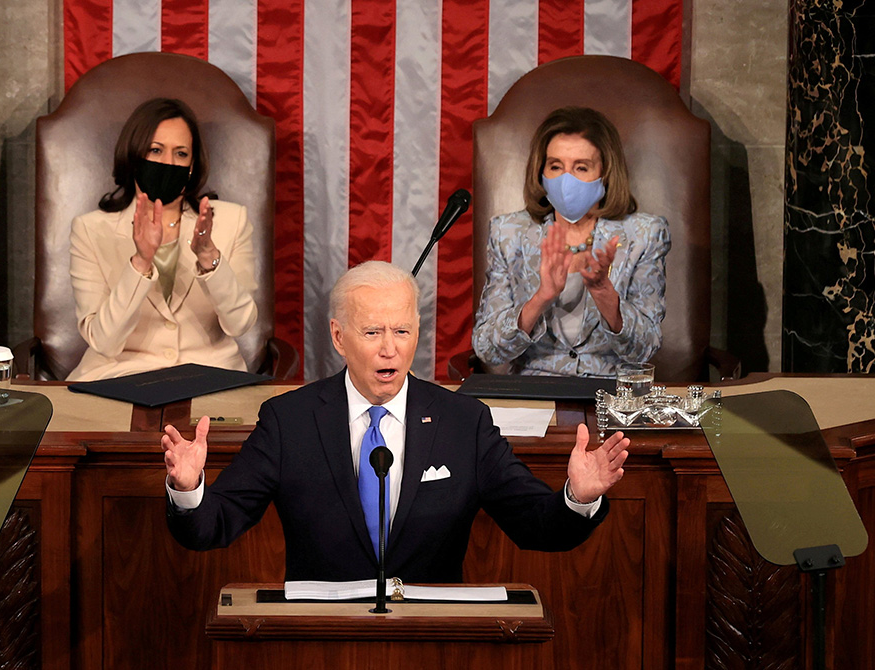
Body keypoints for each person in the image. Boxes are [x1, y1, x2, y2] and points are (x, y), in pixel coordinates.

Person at [162, 261, 629, 583]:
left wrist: (577, 499)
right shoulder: (290, 420)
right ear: (339, 337)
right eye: (372, 332)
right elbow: (213, 526)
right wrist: (188, 489)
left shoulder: (463, 422)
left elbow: (537, 526)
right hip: (320, 638)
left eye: (402, 331)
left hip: (432, 638)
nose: (390, 349)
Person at [67, 98, 258, 381]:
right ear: (133, 156)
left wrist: (208, 257)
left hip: (209, 378)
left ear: (192, 165)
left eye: (181, 154)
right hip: (118, 378)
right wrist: (140, 262)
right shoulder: (90, 229)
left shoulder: (232, 221)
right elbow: (104, 342)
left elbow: (240, 324)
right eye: (155, 150)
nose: (168, 163)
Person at [472, 106, 670, 377]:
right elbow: (487, 349)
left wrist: (605, 297)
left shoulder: (644, 235)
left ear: (606, 173)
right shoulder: (509, 233)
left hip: (611, 396)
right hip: (536, 395)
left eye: (581, 167)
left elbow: (646, 348)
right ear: (541, 171)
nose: (566, 180)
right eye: (555, 166)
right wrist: (540, 299)